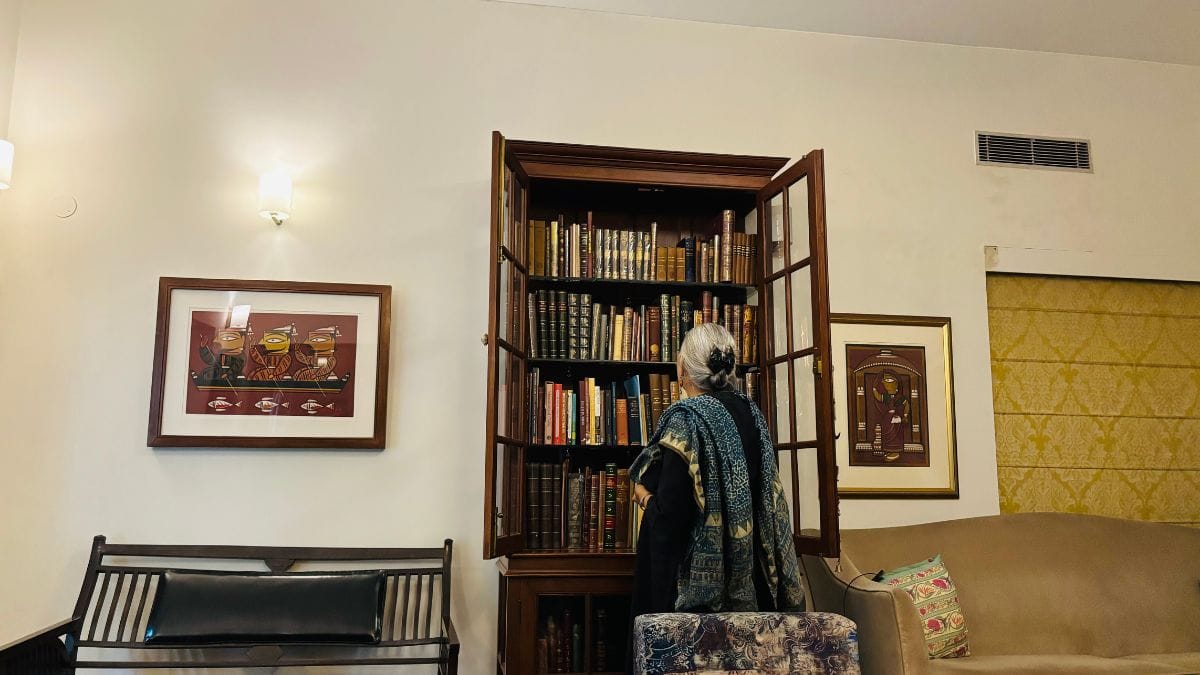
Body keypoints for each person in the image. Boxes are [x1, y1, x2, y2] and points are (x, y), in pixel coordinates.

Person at [627, 323, 805, 652]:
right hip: (752, 579)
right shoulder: (752, 412)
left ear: (682, 369)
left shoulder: (686, 419)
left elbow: (671, 515)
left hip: (694, 596)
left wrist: (644, 497)